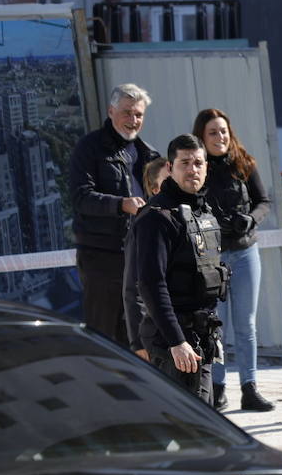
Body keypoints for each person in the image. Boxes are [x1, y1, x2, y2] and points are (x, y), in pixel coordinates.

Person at [132, 134, 228, 404]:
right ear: (171, 168)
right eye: (184, 162)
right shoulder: (157, 217)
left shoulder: (203, 211)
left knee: (202, 426)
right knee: (188, 431)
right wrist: (176, 342)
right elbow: (151, 285)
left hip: (201, 338)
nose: (192, 169)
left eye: (198, 162)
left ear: (207, 167)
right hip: (174, 343)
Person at [194, 108, 275, 413]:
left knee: (246, 324)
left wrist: (250, 220)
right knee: (216, 326)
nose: (220, 137)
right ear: (202, 136)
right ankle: (217, 388)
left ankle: (249, 387)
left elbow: (264, 201)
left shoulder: (244, 162)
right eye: (213, 132)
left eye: (224, 131)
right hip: (212, 258)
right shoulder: (197, 167)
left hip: (245, 252)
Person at [68, 83, 158, 346]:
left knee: (139, 337)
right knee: (103, 338)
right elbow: (80, 197)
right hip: (102, 257)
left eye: (139, 114)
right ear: (111, 111)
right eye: (127, 112)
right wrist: (122, 205)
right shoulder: (89, 148)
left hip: (141, 255)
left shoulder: (148, 153)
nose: (133, 120)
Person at [122, 157, 170, 364]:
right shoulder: (146, 223)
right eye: (168, 181)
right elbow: (133, 287)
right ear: (154, 188)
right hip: (159, 336)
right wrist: (138, 343)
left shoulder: (194, 218)